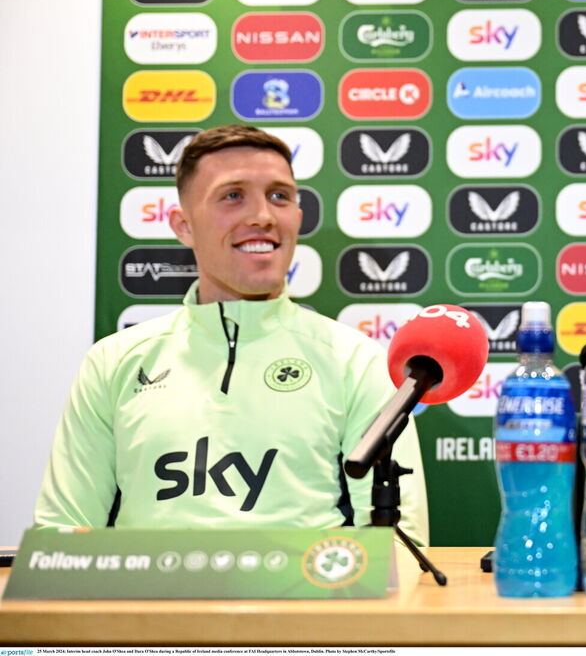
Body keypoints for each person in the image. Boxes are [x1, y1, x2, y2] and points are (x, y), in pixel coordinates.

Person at [35, 125, 428, 543]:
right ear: (183, 226)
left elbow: (399, 547)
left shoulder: (356, 360)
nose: (262, 215)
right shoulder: (113, 362)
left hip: (307, 604)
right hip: (149, 606)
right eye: (232, 195)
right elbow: (62, 539)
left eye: (280, 196)